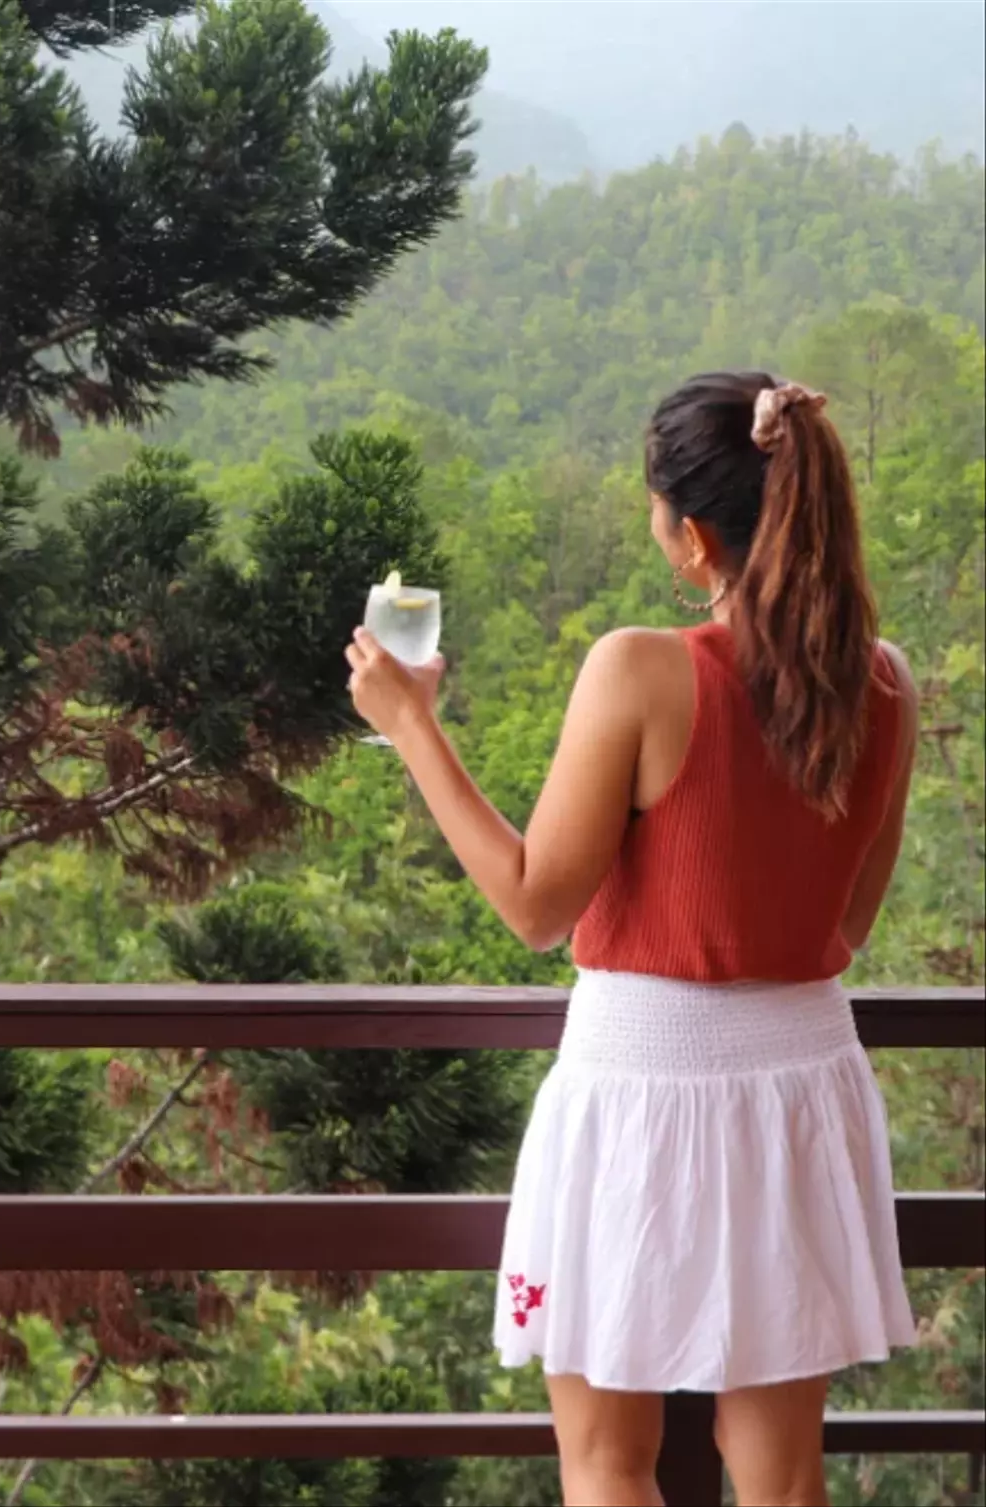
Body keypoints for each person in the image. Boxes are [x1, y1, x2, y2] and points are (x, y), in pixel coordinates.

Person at [345, 371, 918, 1507]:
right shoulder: (885, 684)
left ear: (692, 535)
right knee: (785, 1476)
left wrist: (410, 724)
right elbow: (845, 923)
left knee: (609, 1465)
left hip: (643, 1097)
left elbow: (533, 905)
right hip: (799, 1098)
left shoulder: (643, 668)